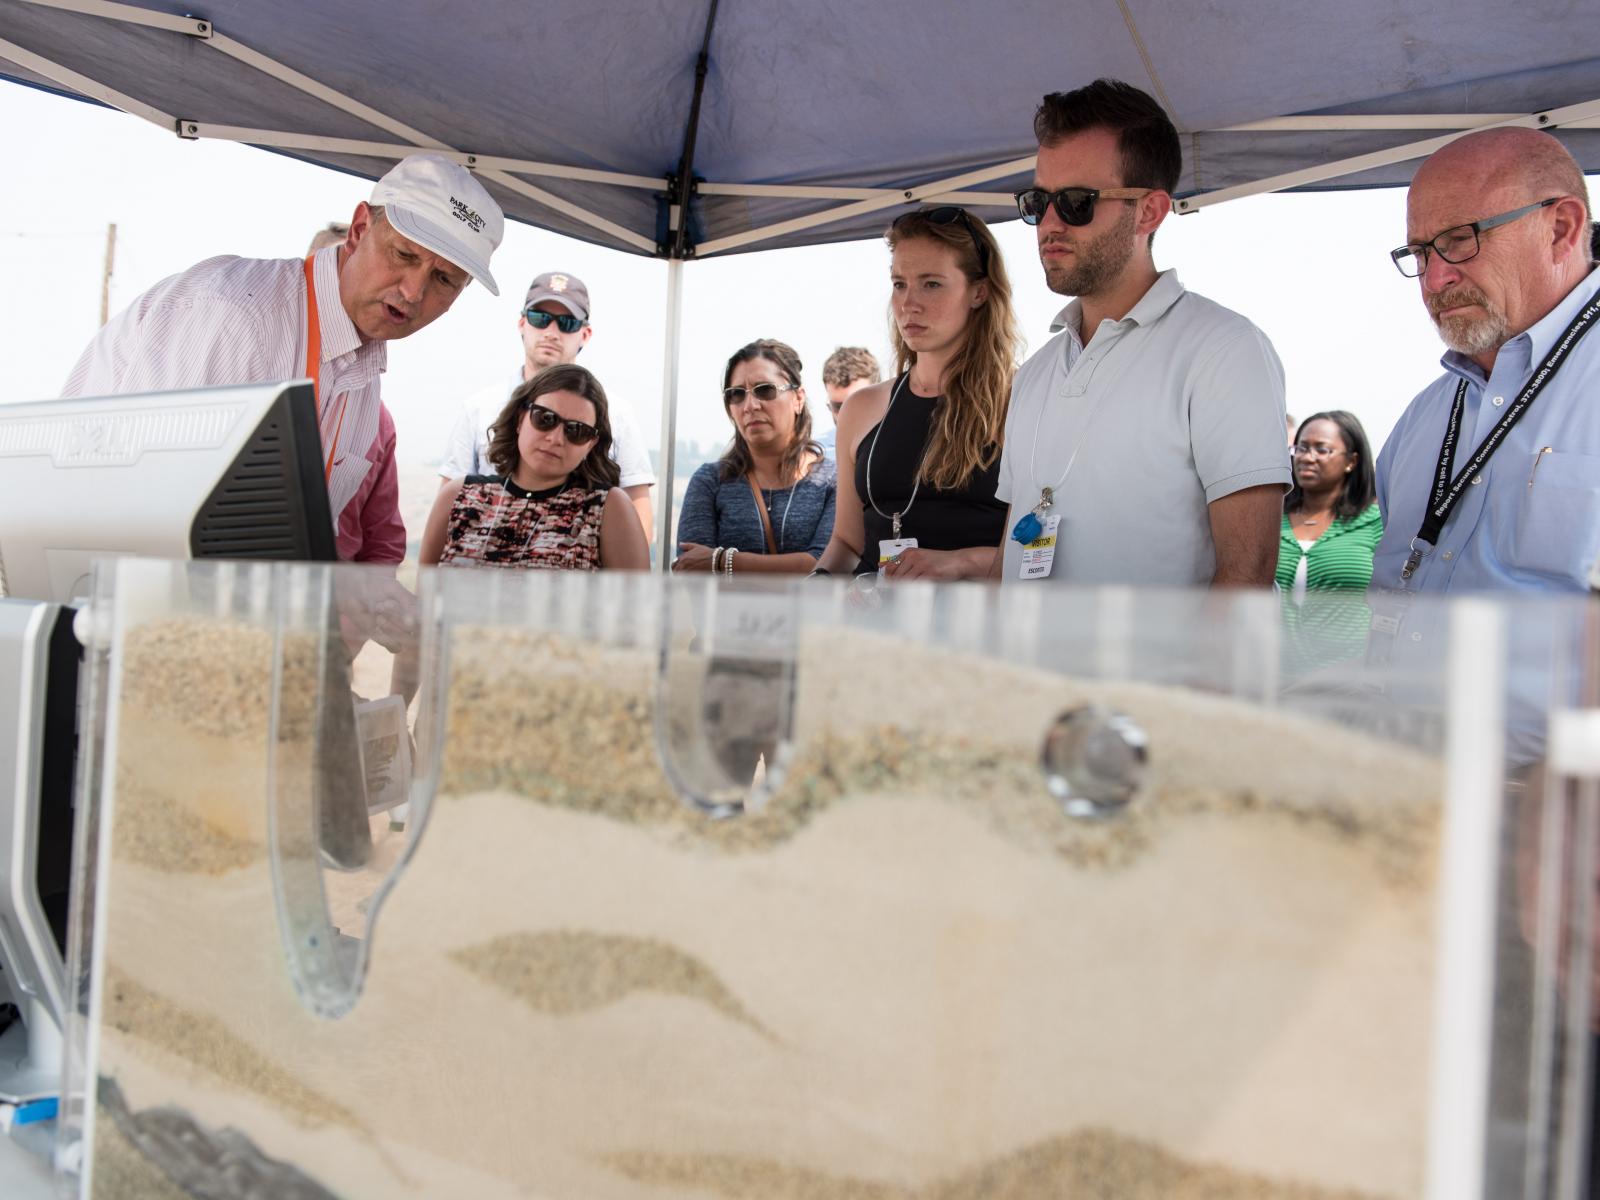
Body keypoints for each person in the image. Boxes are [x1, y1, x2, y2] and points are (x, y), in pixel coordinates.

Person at [62, 152, 501, 567]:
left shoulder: (363, 371)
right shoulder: (233, 314)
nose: (414, 291)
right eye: (404, 254)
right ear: (359, 229)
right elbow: (135, 516)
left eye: (444, 279)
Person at [993, 79, 1290, 587]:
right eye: (1037, 201)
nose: (1050, 223)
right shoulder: (1035, 372)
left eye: (1077, 201)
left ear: (1149, 211)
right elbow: (1010, 558)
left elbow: (1246, 578)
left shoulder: (1224, 350)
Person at [1373, 127, 1600, 601]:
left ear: (1561, 229)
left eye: (1460, 240)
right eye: (1420, 253)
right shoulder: (1419, 421)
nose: (1435, 279)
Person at [813, 207, 1019, 580]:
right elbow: (847, 543)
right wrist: (816, 584)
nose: (909, 304)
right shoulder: (862, 407)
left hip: (978, 615)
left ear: (979, 292)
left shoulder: (1020, 399)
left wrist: (959, 562)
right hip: (874, 614)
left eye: (931, 284)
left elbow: (1039, 551)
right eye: (899, 284)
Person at [438, 271, 657, 541]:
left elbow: (638, 511)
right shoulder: (477, 409)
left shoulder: (617, 414)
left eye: (566, 323)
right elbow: (450, 509)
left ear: (585, 334)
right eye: (540, 319)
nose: (552, 333)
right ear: (522, 324)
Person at [421, 364, 649, 570]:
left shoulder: (607, 508)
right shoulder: (459, 496)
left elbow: (636, 602)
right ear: (520, 418)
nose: (555, 438)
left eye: (576, 431)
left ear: (591, 444)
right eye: (545, 418)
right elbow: (425, 597)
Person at [673, 340, 836, 575]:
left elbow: (825, 565)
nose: (750, 405)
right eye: (737, 394)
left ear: (798, 398)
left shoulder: (832, 481)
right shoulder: (710, 481)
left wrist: (722, 561)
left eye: (765, 390)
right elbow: (691, 567)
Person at [1276, 411, 1382, 671]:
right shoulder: (1271, 520)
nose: (1307, 457)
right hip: (1270, 676)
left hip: (1344, 680)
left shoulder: (1377, 523)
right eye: (1301, 448)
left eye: (1321, 450)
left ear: (1351, 461)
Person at [815, 346, 881, 459]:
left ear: (880, 397)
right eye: (838, 407)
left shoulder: (902, 441)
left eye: (856, 405)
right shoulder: (816, 455)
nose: (847, 416)